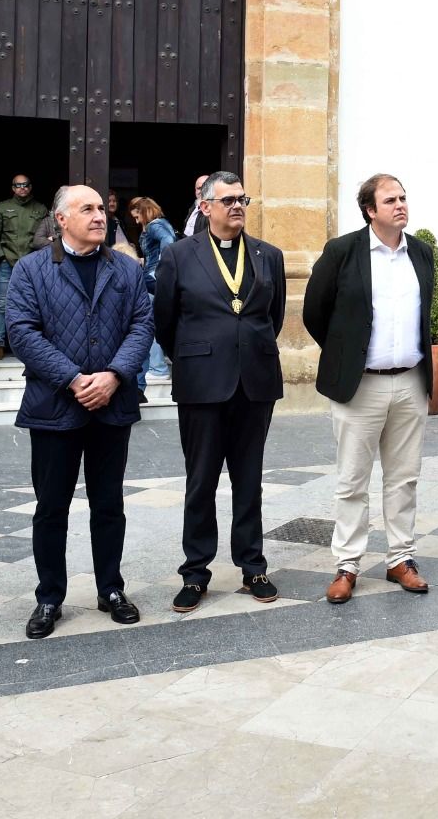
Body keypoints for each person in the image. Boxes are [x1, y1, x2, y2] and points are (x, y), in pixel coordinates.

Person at [6, 185, 153, 639]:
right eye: (86, 209)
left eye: (100, 209)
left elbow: (142, 324)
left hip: (112, 405)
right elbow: (22, 332)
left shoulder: (125, 270)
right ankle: (49, 596)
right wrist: (73, 379)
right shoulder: (31, 269)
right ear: (61, 219)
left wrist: (113, 376)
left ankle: (111, 588)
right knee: (51, 508)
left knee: (109, 505)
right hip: (54, 407)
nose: (99, 216)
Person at [155, 171, 288, 613]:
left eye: (242, 199)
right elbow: (165, 321)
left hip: (256, 382)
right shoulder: (178, 255)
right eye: (228, 199)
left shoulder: (269, 256)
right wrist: (197, 356)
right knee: (201, 481)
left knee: (249, 480)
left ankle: (253, 566)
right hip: (201, 384)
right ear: (206, 207)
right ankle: (195, 572)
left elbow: (276, 314)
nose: (237, 206)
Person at [304, 173, 435, 603]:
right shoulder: (343, 252)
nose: (400, 204)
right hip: (361, 385)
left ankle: (401, 557)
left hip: (411, 382)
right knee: (352, 481)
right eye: (390, 199)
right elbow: (314, 311)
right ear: (370, 210)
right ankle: (347, 564)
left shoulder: (422, 252)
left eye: (403, 196)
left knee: (404, 479)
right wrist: (347, 355)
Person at [0, 173, 48, 361]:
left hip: (33, 263)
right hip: (8, 261)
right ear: (13, 188)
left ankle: (34, 345)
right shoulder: (3, 207)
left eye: (25, 185)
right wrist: (0, 256)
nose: (22, 188)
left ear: (30, 187)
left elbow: (47, 234)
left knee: (35, 304)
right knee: (1, 304)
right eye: (18, 185)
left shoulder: (40, 209)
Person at [127, 197, 176, 398]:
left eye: (137, 216)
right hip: (154, 274)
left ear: (144, 211)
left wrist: (159, 269)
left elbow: (169, 243)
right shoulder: (161, 225)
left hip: (153, 278)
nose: (137, 221)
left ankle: (158, 368)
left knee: (148, 324)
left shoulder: (155, 226)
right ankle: (157, 368)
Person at [180, 174, 209, 238]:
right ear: (195, 191)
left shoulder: (214, 210)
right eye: (199, 188)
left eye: (205, 188)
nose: (202, 191)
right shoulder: (194, 206)